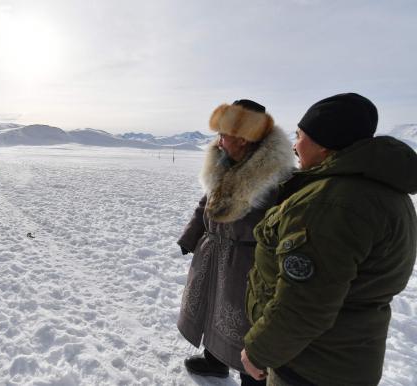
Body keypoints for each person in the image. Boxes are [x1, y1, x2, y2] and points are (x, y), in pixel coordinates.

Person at [241, 93, 417, 385]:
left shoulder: (329, 204)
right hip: (346, 357)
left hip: (309, 365)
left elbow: (305, 305)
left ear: (323, 144)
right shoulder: (385, 192)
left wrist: (259, 351)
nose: (295, 146)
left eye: (300, 136)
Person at [177, 99, 294, 385]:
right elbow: (208, 202)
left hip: (246, 264)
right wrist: (191, 235)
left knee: (241, 323)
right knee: (211, 307)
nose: (219, 140)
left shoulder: (276, 176)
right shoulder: (224, 161)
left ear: (244, 138)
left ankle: (251, 380)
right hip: (214, 252)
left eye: (224, 133)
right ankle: (214, 362)